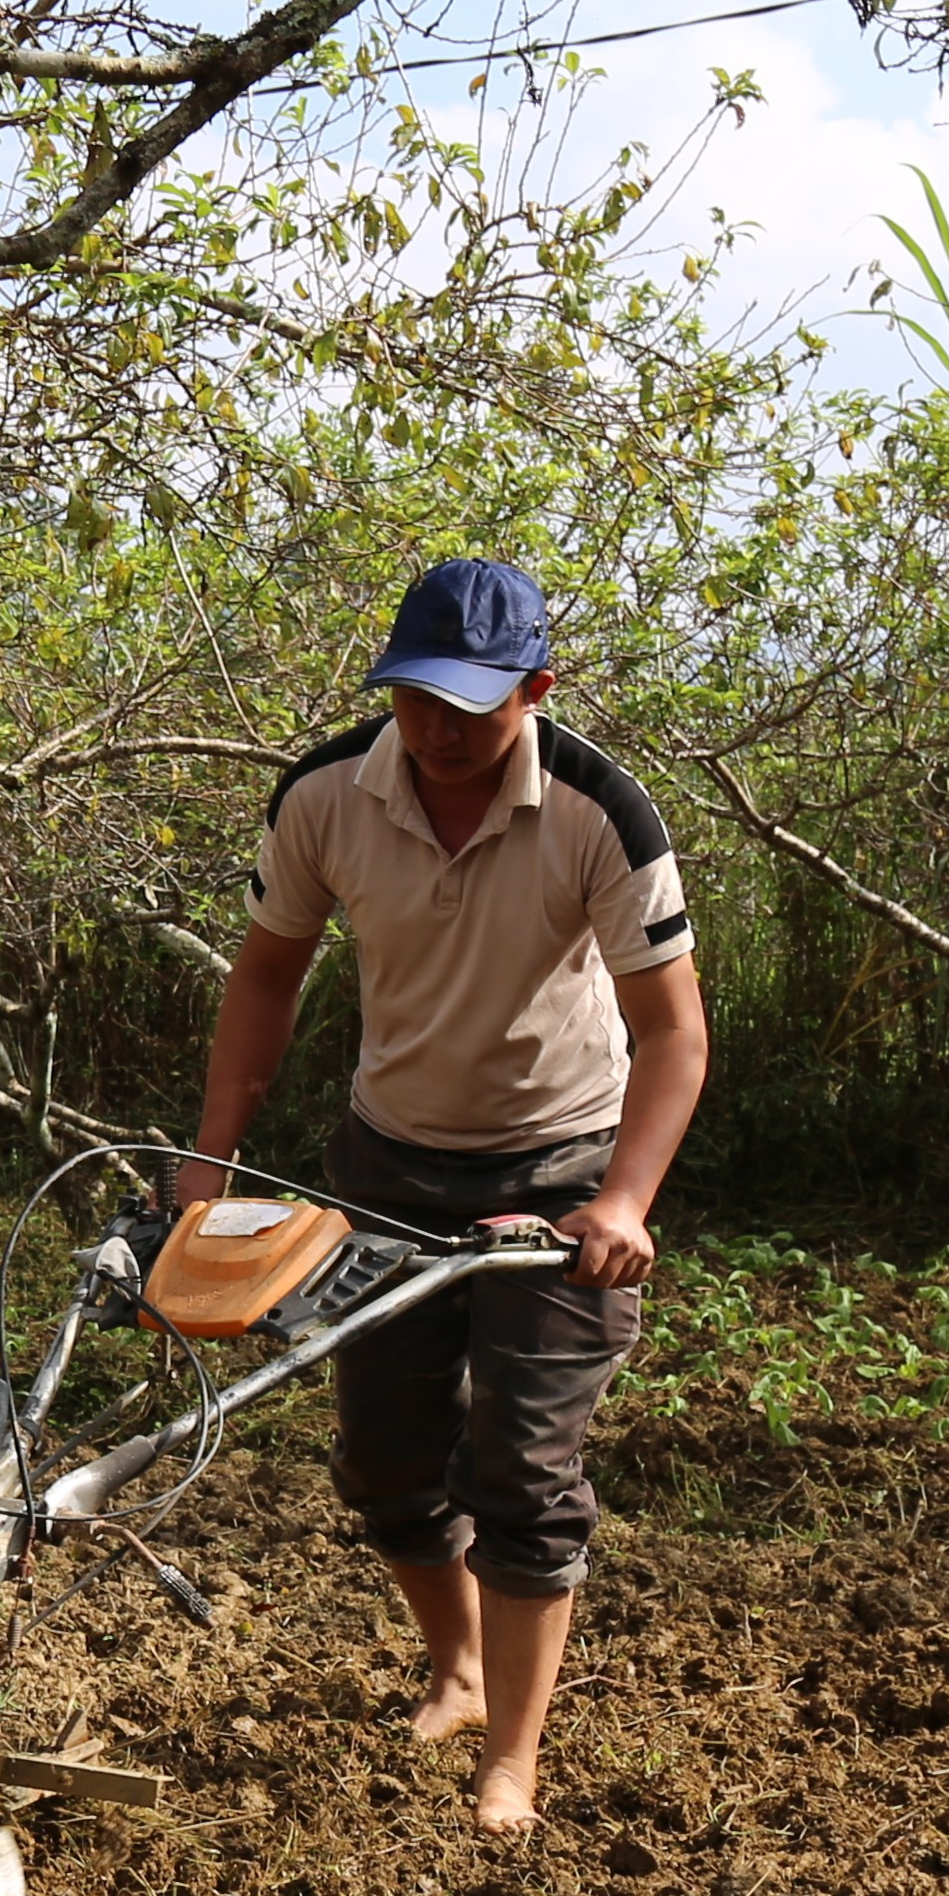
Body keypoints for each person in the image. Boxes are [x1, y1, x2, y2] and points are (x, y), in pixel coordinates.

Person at [174, 556, 706, 1831]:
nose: (435, 731)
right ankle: (457, 1670)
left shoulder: (600, 813)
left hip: (561, 1164)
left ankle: (511, 1758)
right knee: (387, 1462)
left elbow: (675, 1039)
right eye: (414, 699)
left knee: (521, 1465)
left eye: (469, 705)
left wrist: (626, 1200)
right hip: (392, 1158)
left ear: (535, 688)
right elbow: (266, 980)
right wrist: (211, 1155)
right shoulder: (325, 795)